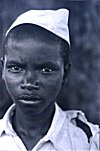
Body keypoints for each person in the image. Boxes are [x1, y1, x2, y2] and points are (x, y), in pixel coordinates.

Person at [0, 9, 99, 151]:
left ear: (65, 73)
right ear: (3, 69)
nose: (29, 82)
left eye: (46, 70)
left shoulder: (87, 141)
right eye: (16, 68)